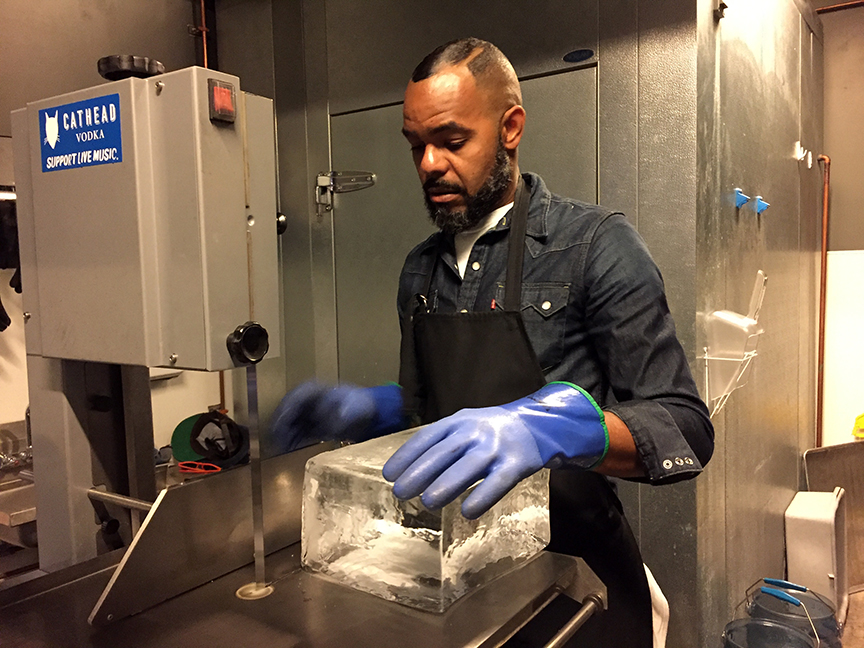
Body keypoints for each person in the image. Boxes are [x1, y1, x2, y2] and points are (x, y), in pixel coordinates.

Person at [272, 38, 713, 647]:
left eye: (451, 141)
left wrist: (558, 429)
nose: (429, 164)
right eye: (416, 145)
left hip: (576, 568)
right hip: (461, 570)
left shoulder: (595, 245)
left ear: (510, 128)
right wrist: (375, 410)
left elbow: (685, 426)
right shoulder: (419, 270)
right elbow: (431, 412)